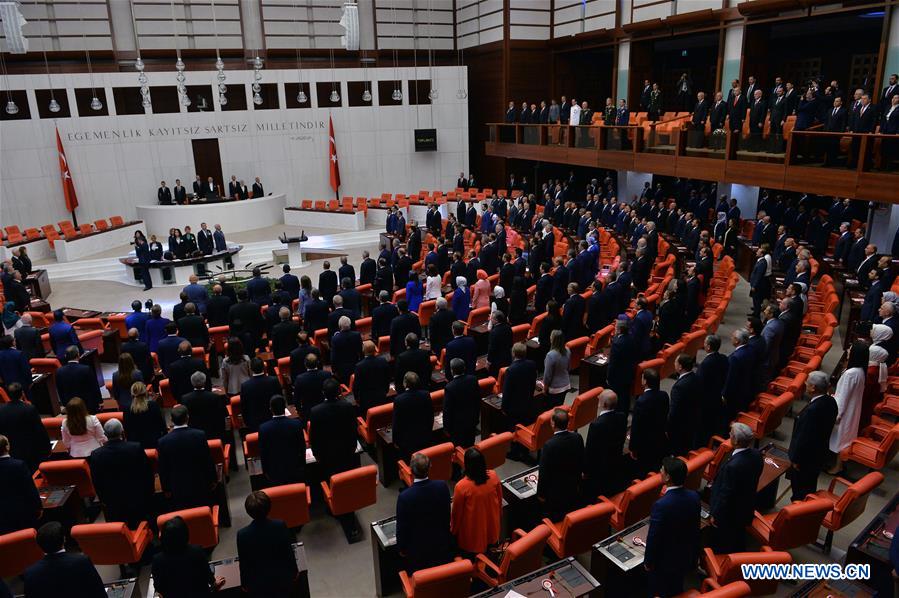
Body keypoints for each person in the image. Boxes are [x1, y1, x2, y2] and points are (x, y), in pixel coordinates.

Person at [644, 457, 700, 597]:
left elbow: (654, 537)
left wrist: (648, 561)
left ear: (668, 477)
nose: (660, 471)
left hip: (664, 562)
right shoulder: (694, 497)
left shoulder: (661, 505)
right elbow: (695, 529)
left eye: (662, 470)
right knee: (676, 587)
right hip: (684, 555)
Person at [89, 418, 154, 529]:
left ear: (105, 435)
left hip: (113, 501)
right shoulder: (135, 448)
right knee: (139, 526)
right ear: (122, 432)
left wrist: (103, 499)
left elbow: (96, 481)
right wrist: (149, 492)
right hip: (136, 497)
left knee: (118, 529)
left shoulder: (96, 454)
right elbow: (147, 472)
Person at [709, 422, 763, 553]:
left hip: (729, 514)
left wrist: (715, 514)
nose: (729, 435)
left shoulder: (733, 466)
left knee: (724, 542)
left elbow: (725, 495)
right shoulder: (757, 455)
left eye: (731, 434)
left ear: (737, 441)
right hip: (746, 507)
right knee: (738, 537)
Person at [396, 453, 452, 573]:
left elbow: (402, 526)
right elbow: (447, 515)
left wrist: (401, 548)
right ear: (430, 467)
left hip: (417, 552)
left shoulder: (405, 497)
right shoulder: (442, 486)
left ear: (411, 470)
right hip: (441, 544)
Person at [237, 491, 298, 597]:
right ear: (269, 507)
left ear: (248, 511)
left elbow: (244, 563)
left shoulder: (242, 534)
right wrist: (294, 571)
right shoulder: (280, 525)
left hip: (258, 584)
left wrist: (244, 583)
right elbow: (288, 551)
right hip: (282, 578)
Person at [789, 371, 838, 501]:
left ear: (813, 388)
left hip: (805, 460)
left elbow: (805, 438)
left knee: (800, 492)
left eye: (808, 383)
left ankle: (797, 515)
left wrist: (796, 459)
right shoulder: (831, 401)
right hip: (818, 455)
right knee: (809, 487)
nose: (805, 384)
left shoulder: (813, 410)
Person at [158, 405, 217, 510]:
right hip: (200, 483)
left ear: (171, 420)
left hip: (177, 487)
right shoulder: (199, 435)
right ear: (187, 418)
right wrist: (213, 479)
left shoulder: (163, 441)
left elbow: (163, 468)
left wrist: (166, 489)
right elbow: (207, 460)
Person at [24, 521, 106, 597]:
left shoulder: (31, 572)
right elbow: (98, 592)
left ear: (39, 545)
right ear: (64, 539)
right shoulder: (82, 562)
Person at [152, 516, 224, 597]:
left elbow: (159, 587)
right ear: (185, 534)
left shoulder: (157, 560)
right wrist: (214, 583)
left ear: (163, 538)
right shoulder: (197, 551)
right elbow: (208, 577)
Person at [451, 447, 503, 555]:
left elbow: (457, 514)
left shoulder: (461, 486)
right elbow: (499, 502)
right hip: (492, 529)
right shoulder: (493, 476)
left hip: (472, 536)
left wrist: (453, 531)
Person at [829, 341, 869, 474]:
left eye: (851, 350)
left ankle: (837, 467)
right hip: (852, 409)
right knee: (844, 438)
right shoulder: (860, 371)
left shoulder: (851, 373)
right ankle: (838, 464)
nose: (848, 351)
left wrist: (836, 415)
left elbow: (843, 397)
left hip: (845, 411)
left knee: (841, 440)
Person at [538, 409, 584, 522]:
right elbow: (581, 460)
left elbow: (544, 472)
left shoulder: (549, 445)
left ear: (553, 424)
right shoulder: (577, 437)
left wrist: (541, 493)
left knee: (556, 518)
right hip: (573, 486)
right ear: (568, 423)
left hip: (555, 493)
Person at [309, 378, 359, 480]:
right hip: (346, 450)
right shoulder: (348, 406)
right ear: (339, 391)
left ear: (323, 393)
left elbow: (314, 436)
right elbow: (354, 428)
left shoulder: (315, 411)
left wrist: (316, 454)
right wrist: (353, 446)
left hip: (325, 454)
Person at [583, 390, 627, 498]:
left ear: (604, 404)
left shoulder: (596, 425)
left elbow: (590, 450)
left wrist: (585, 471)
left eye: (600, 398)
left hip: (599, 468)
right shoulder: (622, 417)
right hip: (616, 461)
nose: (598, 398)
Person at [0, 383, 49, 472]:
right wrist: (47, 449)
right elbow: (39, 430)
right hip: (30, 451)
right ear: (22, 393)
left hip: (11, 450)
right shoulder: (29, 409)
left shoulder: (1, 410)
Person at [258, 395, 305, 485]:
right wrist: (302, 466)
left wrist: (266, 472)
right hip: (295, 468)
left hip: (275, 472)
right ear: (285, 408)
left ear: (270, 409)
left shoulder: (263, 428)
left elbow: (263, 453)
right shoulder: (296, 424)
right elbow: (302, 447)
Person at [0, 434, 42, 534]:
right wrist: (38, 507)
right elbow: (29, 489)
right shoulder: (19, 465)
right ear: (7, 446)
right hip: (22, 512)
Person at [392, 372, 434, 460]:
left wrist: (395, 440)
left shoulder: (399, 400)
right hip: (424, 436)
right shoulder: (426, 395)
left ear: (405, 384)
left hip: (406, 441)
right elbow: (430, 416)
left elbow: (397, 423)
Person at [442, 358, 480, 448]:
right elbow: (477, 401)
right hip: (472, 420)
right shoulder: (473, 380)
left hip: (457, 426)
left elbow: (447, 410)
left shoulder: (449, 387)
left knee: (459, 448)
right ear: (464, 368)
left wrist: (446, 428)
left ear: (452, 371)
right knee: (470, 445)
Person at [181, 371, 227, 443]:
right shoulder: (215, 397)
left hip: (195, 433)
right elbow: (223, 413)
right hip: (213, 431)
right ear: (204, 382)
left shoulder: (185, 399)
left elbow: (185, 417)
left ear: (192, 383)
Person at [239, 357, 280, 432]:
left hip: (255, 423)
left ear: (251, 369)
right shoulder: (274, 380)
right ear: (264, 367)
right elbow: (280, 399)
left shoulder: (245, 386)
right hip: (274, 419)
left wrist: (247, 423)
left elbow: (244, 407)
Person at [607, 318, 638, 415]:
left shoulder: (617, 343)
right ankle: (624, 414)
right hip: (629, 372)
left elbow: (613, 363)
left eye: (616, 327)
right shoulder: (631, 338)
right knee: (625, 395)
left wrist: (608, 377)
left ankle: (617, 415)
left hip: (617, 376)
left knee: (618, 397)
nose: (614, 329)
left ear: (619, 329)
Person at [353, 340, 391, 416]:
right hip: (381, 395)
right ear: (374, 350)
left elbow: (357, 385)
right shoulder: (383, 361)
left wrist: (356, 398)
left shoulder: (359, 366)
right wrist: (385, 391)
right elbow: (388, 378)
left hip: (366, 400)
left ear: (363, 350)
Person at [124, 382, 166, 449]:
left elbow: (127, 429)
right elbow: (161, 424)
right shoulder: (153, 405)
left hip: (136, 445)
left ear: (132, 393)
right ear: (145, 392)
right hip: (154, 442)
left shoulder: (127, 408)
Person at [293, 354, 332, 420]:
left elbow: (297, 398)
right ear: (317, 363)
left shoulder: (300, 379)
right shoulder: (327, 374)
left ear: (305, 364)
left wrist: (299, 411)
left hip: (309, 412)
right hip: (327, 409)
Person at [542, 329, 571, 407]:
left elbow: (548, 375)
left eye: (551, 337)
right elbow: (568, 368)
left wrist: (545, 388)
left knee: (552, 409)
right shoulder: (568, 350)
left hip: (555, 388)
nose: (550, 338)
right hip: (566, 384)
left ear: (553, 340)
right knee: (560, 405)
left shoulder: (550, 355)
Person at [331, 316, 362, 385]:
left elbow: (334, 356)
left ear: (339, 326)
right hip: (356, 364)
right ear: (350, 324)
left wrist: (334, 370)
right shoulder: (356, 335)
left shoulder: (335, 339)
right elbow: (361, 351)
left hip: (342, 369)